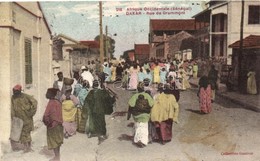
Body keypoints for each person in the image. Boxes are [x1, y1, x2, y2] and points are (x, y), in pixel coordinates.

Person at [84, 80, 116, 144]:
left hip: (93, 111)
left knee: (94, 121)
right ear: (98, 85)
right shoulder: (102, 92)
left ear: (93, 85)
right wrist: (113, 99)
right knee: (101, 122)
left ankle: (94, 133)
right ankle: (102, 134)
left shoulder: (91, 93)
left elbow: (86, 102)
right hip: (100, 110)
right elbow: (108, 99)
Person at [10, 84, 37, 152]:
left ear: (19, 91)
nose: (15, 93)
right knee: (22, 133)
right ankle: (26, 147)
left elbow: (34, 102)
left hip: (27, 117)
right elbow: (12, 108)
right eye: (14, 91)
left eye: (16, 91)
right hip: (18, 118)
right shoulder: (13, 98)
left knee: (27, 132)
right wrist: (13, 117)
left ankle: (29, 147)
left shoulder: (26, 96)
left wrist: (31, 112)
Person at [128, 82, 154, 148]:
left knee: (138, 127)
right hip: (146, 115)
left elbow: (131, 105)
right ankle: (143, 141)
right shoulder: (147, 95)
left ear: (137, 88)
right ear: (143, 88)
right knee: (144, 128)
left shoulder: (134, 96)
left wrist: (129, 115)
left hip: (136, 115)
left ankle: (137, 140)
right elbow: (152, 104)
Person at [43, 88, 63, 161]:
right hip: (59, 125)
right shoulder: (58, 102)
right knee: (58, 142)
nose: (46, 94)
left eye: (47, 93)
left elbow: (46, 115)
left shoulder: (51, 103)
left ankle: (56, 158)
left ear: (50, 94)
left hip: (53, 125)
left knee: (54, 142)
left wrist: (47, 123)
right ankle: (58, 157)